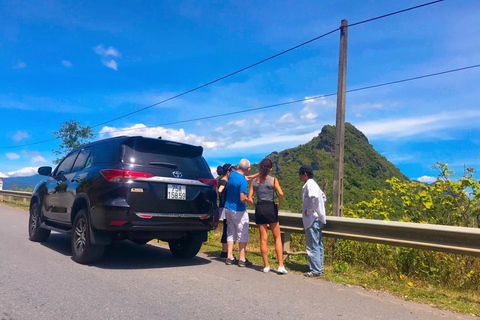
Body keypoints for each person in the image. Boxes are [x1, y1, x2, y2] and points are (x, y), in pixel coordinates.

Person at [248, 158, 287, 274]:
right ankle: (280, 266)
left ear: (260, 168)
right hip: (271, 207)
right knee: (277, 238)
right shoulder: (273, 180)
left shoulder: (254, 181)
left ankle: (266, 266)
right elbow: (281, 193)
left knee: (263, 239)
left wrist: (256, 206)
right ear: (270, 169)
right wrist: (278, 205)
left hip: (260, 208)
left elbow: (250, 198)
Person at [224, 159, 255, 267]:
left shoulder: (232, 175)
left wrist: (258, 174)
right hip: (239, 211)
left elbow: (246, 178)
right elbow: (242, 198)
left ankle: (229, 256)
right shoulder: (242, 181)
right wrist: (249, 199)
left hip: (228, 208)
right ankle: (242, 259)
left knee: (231, 233)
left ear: (238, 167)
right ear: (248, 169)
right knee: (242, 233)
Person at [297, 164, 327, 277]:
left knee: (312, 245)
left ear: (305, 174)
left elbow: (314, 197)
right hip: (318, 218)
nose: (299, 177)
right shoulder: (314, 184)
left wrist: (309, 211)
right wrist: (318, 208)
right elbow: (323, 197)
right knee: (318, 244)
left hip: (312, 219)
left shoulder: (309, 184)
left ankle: (315, 270)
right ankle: (319, 267)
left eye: (300, 174)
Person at [216, 163, 235, 259]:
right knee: (227, 229)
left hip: (223, 207)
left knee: (227, 228)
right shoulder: (224, 181)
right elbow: (220, 190)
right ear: (228, 172)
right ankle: (225, 251)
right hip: (225, 207)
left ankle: (225, 250)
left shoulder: (224, 180)